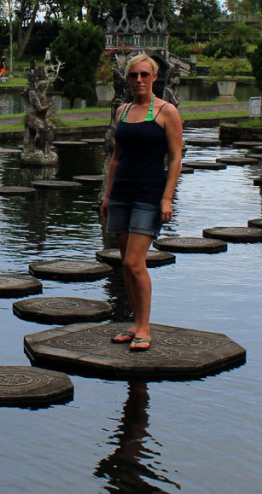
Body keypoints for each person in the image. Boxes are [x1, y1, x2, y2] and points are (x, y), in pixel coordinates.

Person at [100, 53, 183, 352]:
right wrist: (108, 196)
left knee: (136, 263)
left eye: (144, 75)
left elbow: (175, 158)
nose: (138, 80)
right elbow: (115, 158)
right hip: (121, 193)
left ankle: (145, 327)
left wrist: (167, 198)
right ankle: (134, 324)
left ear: (154, 77)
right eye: (134, 75)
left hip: (149, 195)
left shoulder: (166, 111)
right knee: (126, 265)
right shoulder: (122, 111)